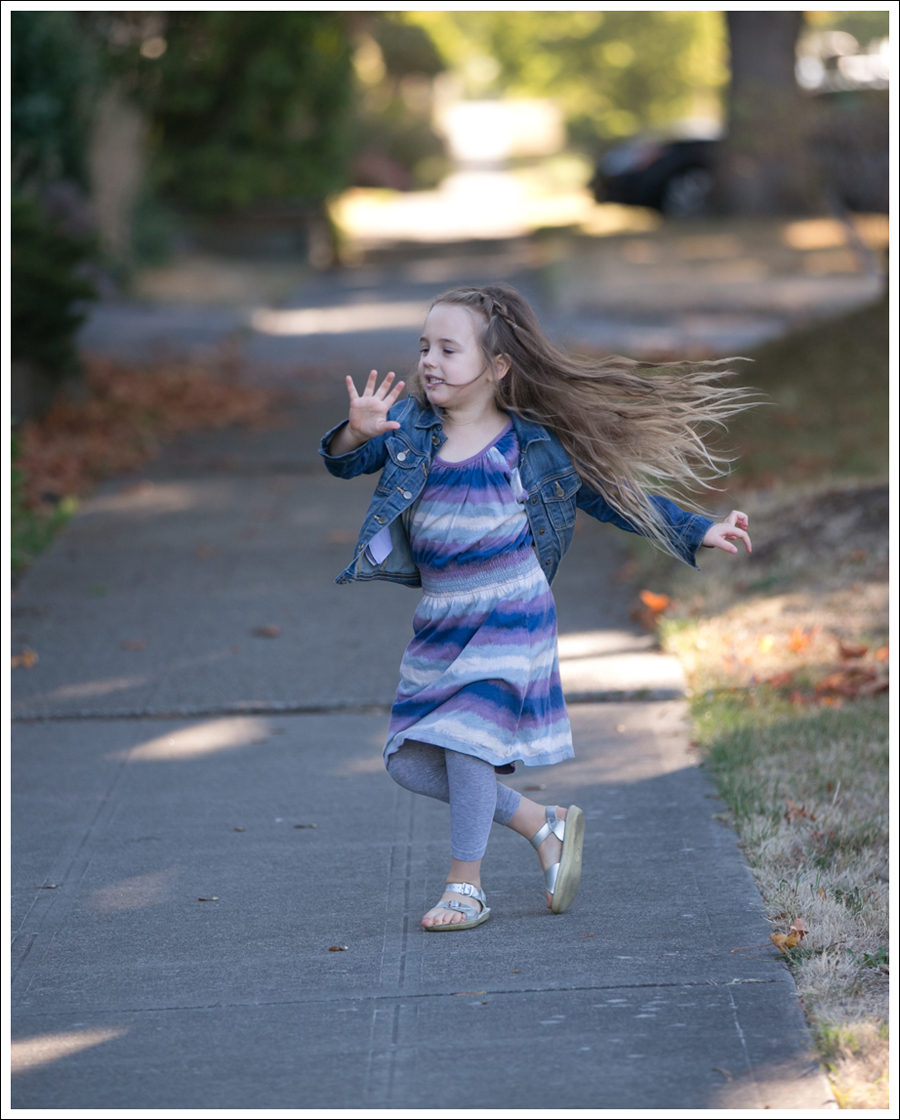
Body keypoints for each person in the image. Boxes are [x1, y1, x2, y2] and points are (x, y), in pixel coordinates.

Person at [319, 284, 752, 932]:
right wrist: (355, 432)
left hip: (510, 610)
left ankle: (465, 887)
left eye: (447, 348)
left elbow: (612, 494)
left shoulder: (532, 444)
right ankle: (539, 822)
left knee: (466, 741)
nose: (429, 361)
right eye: (423, 348)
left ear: (497, 367)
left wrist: (696, 528)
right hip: (443, 617)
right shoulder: (407, 427)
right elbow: (348, 462)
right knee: (408, 760)